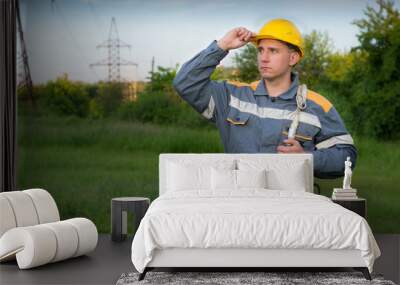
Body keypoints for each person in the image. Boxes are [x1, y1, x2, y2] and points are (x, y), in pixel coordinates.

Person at [173, 18, 356, 178]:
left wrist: (307, 158)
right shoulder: (232, 96)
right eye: (260, 50)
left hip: (291, 209)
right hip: (238, 205)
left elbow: (347, 157)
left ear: (292, 58)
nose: (264, 58)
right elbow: (185, 83)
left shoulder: (317, 106)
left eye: (273, 51)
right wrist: (222, 45)